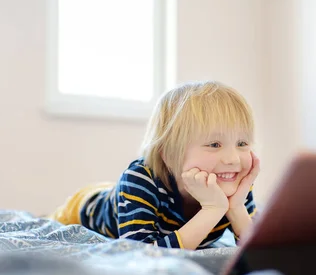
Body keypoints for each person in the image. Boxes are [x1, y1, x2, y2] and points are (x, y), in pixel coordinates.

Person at [49, 80, 260, 250]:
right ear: (168, 154)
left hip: (125, 197)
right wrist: (213, 209)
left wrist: (236, 208)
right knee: (54, 219)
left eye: (242, 143)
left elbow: (258, 256)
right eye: (214, 144)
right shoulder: (140, 179)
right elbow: (141, 256)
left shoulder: (232, 182)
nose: (233, 159)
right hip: (83, 207)